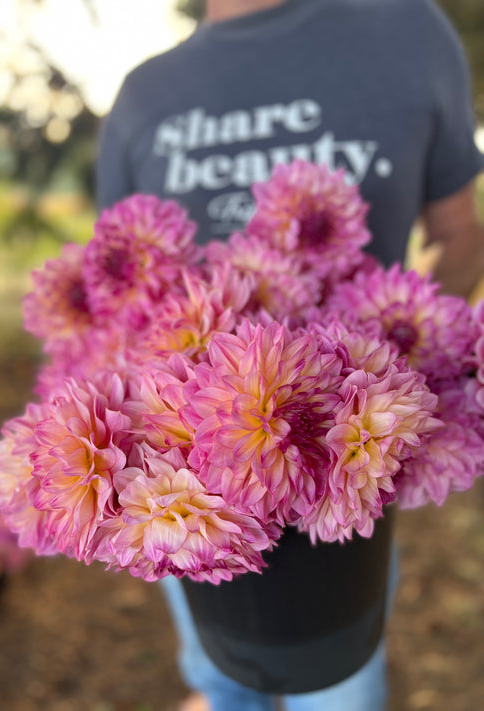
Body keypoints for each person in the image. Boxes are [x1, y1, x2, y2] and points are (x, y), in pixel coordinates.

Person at [95, 1, 484, 709]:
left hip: (348, 499)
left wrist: (400, 366)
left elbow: (461, 234)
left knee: (339, 686)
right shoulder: (142, 94)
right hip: (185, 495)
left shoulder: (407, 30)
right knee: (214, 673)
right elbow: (113, 297)